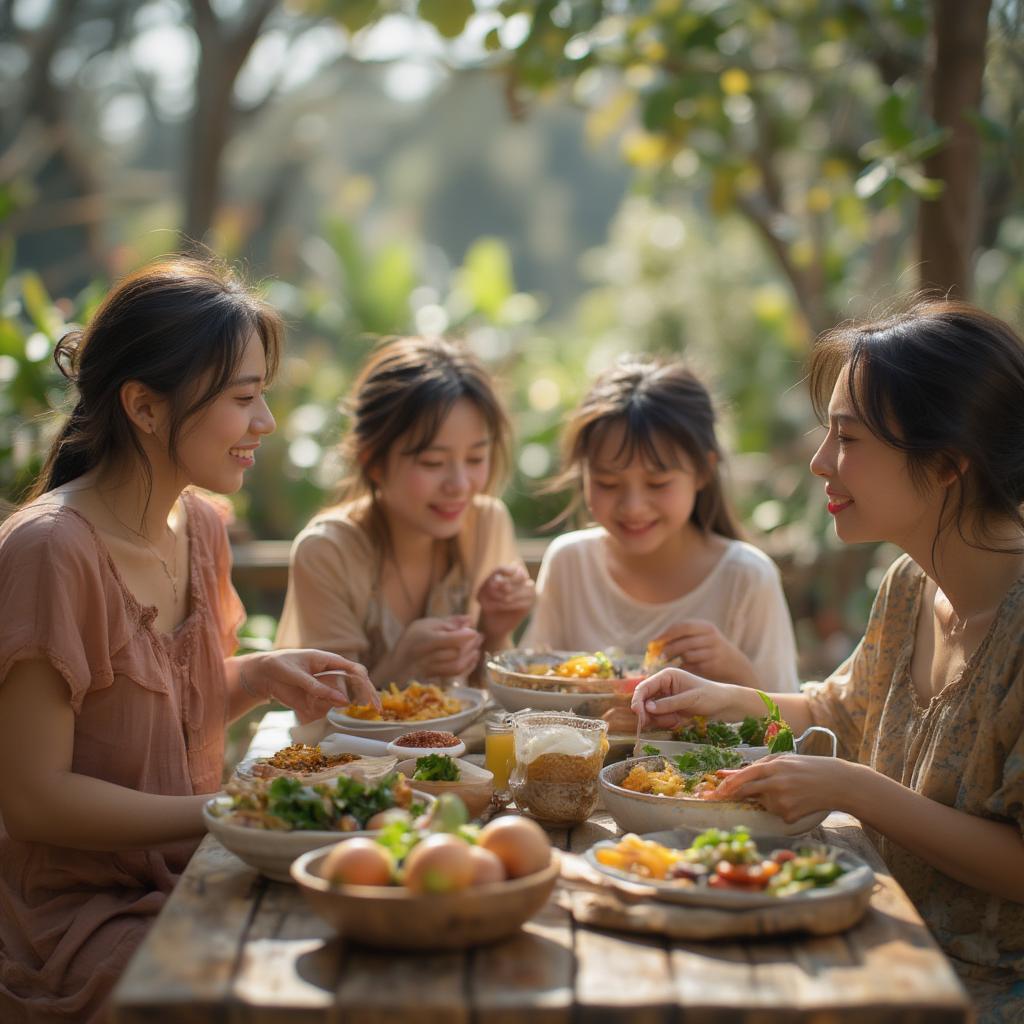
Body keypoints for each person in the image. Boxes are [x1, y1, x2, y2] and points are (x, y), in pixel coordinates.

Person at [0, 257, 378, 1024]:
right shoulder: (50, 551)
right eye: (244, 398)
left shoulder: (200, 527)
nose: (265, 423)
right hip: (81, 920)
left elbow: (156, 711)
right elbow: (36, 800)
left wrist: (258, 674)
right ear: (142, 406)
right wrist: (231, 806)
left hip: (198, 874)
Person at [631, 301, 1024, 1021]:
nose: (820, 461)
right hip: (870, 936)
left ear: (945, 463)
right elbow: (838, 713)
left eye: (847, 437)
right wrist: (726, 698)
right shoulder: (910, 586)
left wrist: (856, 789)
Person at [523, 355, 799, 691]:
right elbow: (530, 689)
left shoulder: (748, 579)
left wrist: (734, 671)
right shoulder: (570, 562)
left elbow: (789, 729)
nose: (633, 507)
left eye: (658, 484)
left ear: (702, 471)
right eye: (608, 483)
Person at [276, 336, 534, 687]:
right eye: (433, 462)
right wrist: (403, 662)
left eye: (475, 458)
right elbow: (326, 714)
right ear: (374, 461)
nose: (459, 484)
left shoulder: (486, 521)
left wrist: (495, 628)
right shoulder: (327, 551)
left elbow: (489, 697)